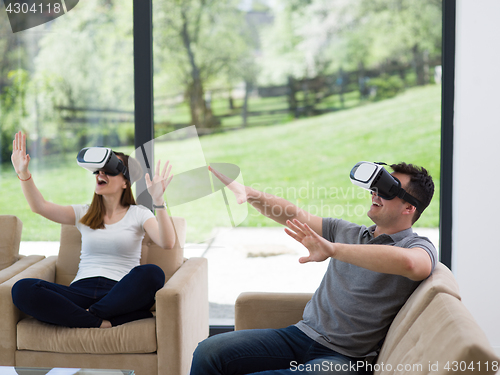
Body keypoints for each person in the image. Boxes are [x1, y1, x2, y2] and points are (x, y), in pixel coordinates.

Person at [190, 162, 437, 374]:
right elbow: (294, 215)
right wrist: (251, 194)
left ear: (409, 208)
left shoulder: (417, 246)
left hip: (346, 359)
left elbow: (411, 264)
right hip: (299, 335)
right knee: (209, 351)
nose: (375, 193)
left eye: (387, 189)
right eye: (376, 187)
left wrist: (334, 250)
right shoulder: (347, 232)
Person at [10, 131, 176, 329]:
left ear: (125, 182)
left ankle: (86, 316)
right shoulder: (83, 213)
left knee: (152, 273)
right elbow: (40, 206)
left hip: (119, 293)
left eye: (109, 169)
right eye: (98, 170)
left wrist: (158, 201)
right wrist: (23, 173)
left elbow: (167, 242)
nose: (100, 174)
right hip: (79, 292)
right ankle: (103, 321)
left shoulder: (139, 213)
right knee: (22, 289)